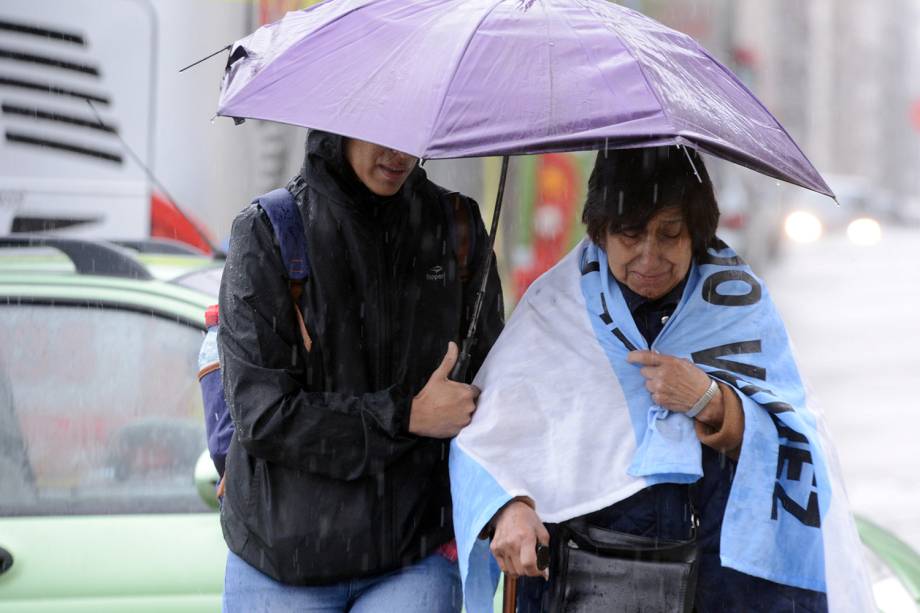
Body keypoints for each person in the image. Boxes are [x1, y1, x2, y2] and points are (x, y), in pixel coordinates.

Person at [449, 146, 874, 612]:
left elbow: (796, 443)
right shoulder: (555, 307)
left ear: (697, 233)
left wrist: (713, 403)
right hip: (585, 580)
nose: (649, 257)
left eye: (669, 234)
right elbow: (488, 443)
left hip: (721, 581)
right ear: (600, 233)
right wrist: (510, 507)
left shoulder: (739, 305)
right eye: (629, 236)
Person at [218, 130, 503, 612]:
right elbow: (263, 416)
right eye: (382, 135)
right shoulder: (268, 231)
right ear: (340, 124)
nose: (399, 154)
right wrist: (405, 415)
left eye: (408, 133)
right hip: (279, 557)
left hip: (415, 552)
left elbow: (494, 387)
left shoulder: (455, 227)